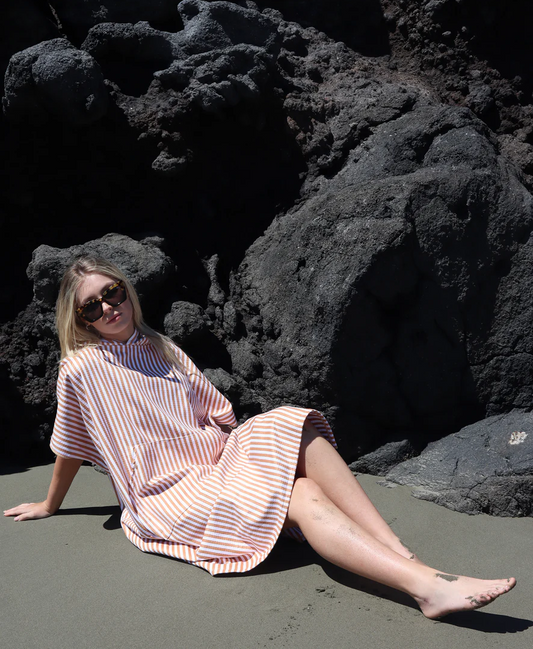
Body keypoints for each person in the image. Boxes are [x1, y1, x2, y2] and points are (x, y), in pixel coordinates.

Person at [4, 256, 515, 619]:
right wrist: (51, 504)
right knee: (303, 493)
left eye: (112, 294)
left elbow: (220, 416)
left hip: (217, 460)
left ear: (125, 291)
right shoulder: (81, 369)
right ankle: (426, 588)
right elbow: (69, 443)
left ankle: (403, 555)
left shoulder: (163, 347)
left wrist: (258, 457)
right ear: (80, 320)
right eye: (91, 307)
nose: (108, 308)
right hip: (169, 493)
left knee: (292, 422)